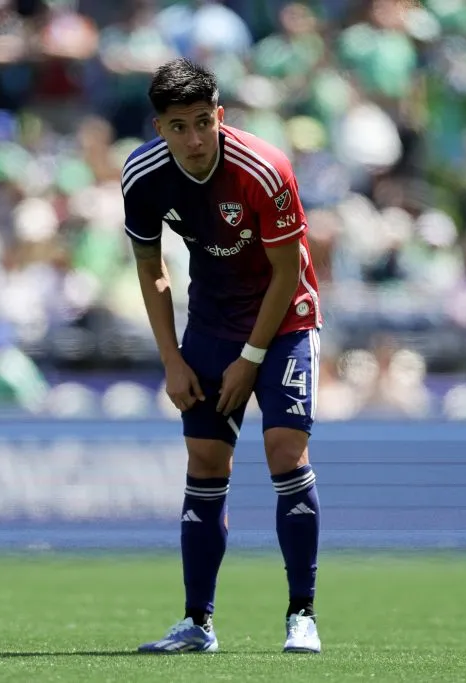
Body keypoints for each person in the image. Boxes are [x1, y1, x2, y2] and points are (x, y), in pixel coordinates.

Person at [122, 58, 323, 654]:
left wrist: (252, 357)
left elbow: (288, 272)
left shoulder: (264, 169)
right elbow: (149, 268)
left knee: (285, 449)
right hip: (210, 322)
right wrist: (172, 360)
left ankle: (301, 614)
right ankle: (197, 623)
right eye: (178, 126)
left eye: (202, 122)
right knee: (206, 461)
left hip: (284, 319)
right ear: (160, 128)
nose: (193, 138)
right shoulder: (142, 175)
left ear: (220, 116)